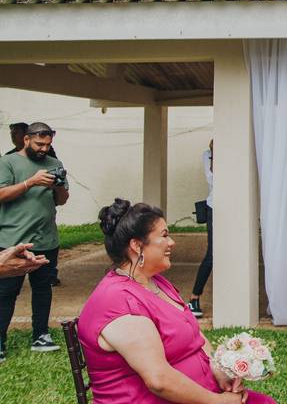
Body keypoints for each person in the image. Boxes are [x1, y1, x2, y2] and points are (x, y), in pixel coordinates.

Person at [77, 198, 276, 404]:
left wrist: (217, 367)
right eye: (164, 235)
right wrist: (218, 402)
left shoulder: (157, 282)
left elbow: (195, 335)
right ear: (137, 245)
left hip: (200, 391)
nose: (172, 242)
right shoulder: (118, 303)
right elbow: (159, 381)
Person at [0, 121, 68, 359]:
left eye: (48, 145)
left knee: (42, 289)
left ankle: (41, 335)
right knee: (6, 291)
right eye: (39, 144)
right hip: (12, 239)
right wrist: (31, 182)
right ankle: (0, 340)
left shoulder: (54, 163)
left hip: (46, 239)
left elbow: (61, 200)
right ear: (26, 139)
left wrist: (59, 186)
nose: (43, 149)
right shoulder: (7, 162)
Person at [188, 139, 214, 318]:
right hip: (214, 206)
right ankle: (194, 297)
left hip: (234, 209)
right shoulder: (208, 155)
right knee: (212, 255)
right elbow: (213, 179)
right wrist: (215, 154)